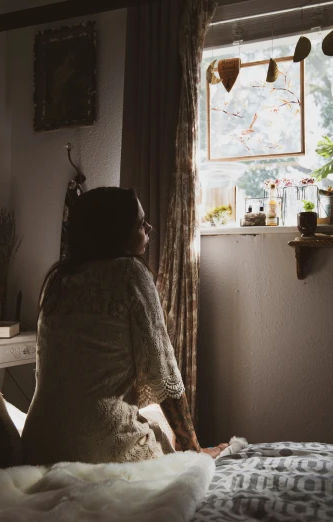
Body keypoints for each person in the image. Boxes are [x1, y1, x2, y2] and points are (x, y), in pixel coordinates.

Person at [22, 187, 228, 465]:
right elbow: (165, 374)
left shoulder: (57, 280)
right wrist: (195, 450)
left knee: (151, 422)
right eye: (141, 223)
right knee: (156, 434)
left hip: (37, 444)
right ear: (117, 231)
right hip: (95, 448)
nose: (149, 227)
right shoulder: (130, 273)